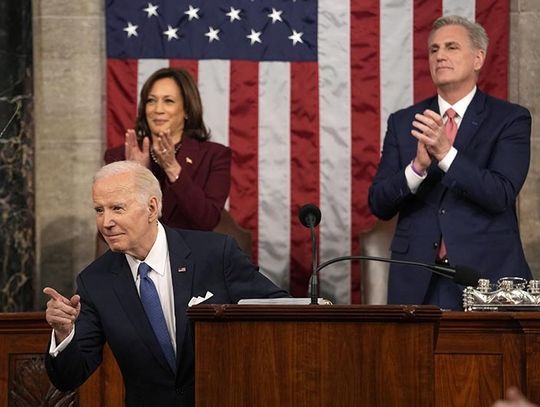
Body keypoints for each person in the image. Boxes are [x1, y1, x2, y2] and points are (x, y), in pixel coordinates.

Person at [43, 161, 288, 406]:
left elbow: (278, 311)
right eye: (99, 210)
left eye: (117, 208)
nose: (106, 222)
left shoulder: (215, 254)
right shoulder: (95, 282)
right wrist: (63, 333)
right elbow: (69, 377)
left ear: (151, 208)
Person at [368, 15, 532, 310]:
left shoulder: (510, 119)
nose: (440, 55)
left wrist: (445, 154)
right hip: (417, 280)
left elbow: (500, 193)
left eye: (451, 47)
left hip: (485, 277)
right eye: (434, 49)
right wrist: (416, 169)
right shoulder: (404, 121)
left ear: (478, 58)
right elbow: (379, 204)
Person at [105, 67, 230, 230]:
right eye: (151, 101)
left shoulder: (214, 156)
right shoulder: (118, 156)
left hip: (189, 253)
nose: (158, 109)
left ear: (187, 110)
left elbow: (207, 220)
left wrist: (172, 168)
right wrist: (136, 177)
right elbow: (108, 226)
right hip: (136, 255)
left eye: (168, 101)